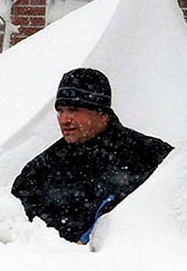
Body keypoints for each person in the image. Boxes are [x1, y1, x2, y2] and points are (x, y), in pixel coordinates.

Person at [11, 68, 172, 243]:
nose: (64, 119)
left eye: (73, 110)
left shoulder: (150, 156)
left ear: (102, 114)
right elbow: (12, 230)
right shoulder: (40, 171)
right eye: (60, 111)